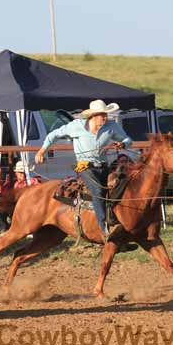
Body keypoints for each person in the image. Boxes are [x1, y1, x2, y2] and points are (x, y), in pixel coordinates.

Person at [35, 99, 133, 241]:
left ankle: (119, 222)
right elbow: (53, 135)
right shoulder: (76, 126)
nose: (105, 117)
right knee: (98, 191)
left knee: (119, 187)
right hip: (85, 167)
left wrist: (122, 144)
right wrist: (42, 151)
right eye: (102, 115)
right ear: (92, 116)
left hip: (104, 167)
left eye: (106, 115)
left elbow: (128, 140)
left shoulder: (112, 126)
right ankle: (104, 229)